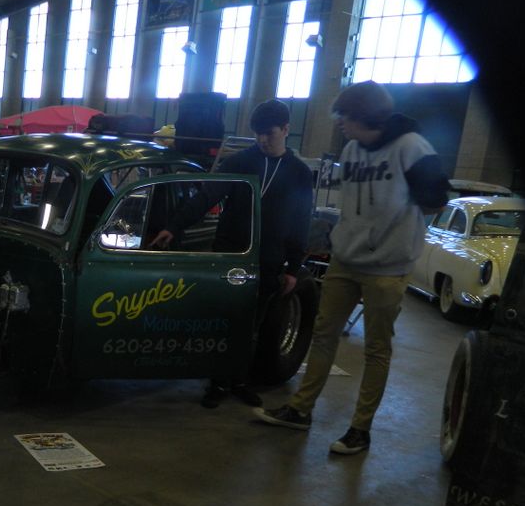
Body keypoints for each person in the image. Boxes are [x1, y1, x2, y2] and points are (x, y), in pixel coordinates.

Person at [253, 81, 450, 454]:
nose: (339, 123)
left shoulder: (411, 147)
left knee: (376, 349)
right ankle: (300, 410)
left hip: (388, 268)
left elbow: (436, 200)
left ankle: (360, 429)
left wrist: (394, 231)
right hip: (346, 260)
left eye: (344, 116)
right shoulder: (351, 150)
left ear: (364, 115)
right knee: (323, 335)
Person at [153, 98, 313, 408]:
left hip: (269, 259)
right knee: (224, 319)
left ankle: (239, 380)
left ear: (285, 129)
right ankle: (217, 382)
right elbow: (206, 196)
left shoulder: (299, 173)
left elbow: (300, 221)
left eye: (269, 133)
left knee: (253, 325)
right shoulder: (239, 163)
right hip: (232, 255)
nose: (263, 140)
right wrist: (174, 226)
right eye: (258, 134)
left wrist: (294, 267)